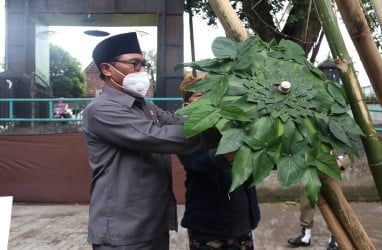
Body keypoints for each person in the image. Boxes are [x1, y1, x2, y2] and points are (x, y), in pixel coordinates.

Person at [82, 32, 219, 250]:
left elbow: (177, 122)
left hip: (153, 224)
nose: (142, 71)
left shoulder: (145, 106)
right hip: (123, 231)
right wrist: (219, 134)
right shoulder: (101, 110)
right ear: (107, 69)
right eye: (134, 64)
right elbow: (157, 137)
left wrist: (222, 114)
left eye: (144, 64)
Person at [177, 72, 261, 250]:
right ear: (186, 103)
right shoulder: (185, 130)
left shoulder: (231, 124)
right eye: (199, 95)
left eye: (212, 93)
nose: (208, 100)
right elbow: (204, 162)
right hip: (208, 228)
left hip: (242, 222)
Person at [287, 152, 352, 250]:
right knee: (306, 199)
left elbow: (353, 151)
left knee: (335, 203)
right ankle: (306, 235)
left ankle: (335, 237)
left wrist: (341, 162)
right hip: (312, 163)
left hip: (331, 166)